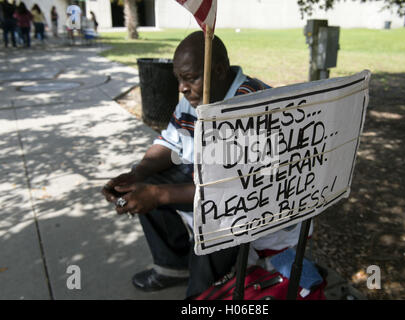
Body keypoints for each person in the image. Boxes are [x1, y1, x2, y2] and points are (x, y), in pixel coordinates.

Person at [102, 31, 308, 299]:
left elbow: (233, 192)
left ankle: (201, 296)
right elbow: (170, 143)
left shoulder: (253, 106)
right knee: (144, 182)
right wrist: (135, 175)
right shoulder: (196, 97)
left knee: (213, 217)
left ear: (219, 71)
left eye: (189, 79)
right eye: (179, 79)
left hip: (258, 209)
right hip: (217, 188)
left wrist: (158, 195)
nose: (182, 88)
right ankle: (173, 266)